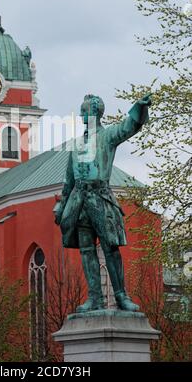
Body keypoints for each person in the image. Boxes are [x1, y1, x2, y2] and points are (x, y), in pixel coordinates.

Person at [54, 93, 152, 312]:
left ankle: (121, 296)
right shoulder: (77, 145)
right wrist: (61, 204)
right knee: (86, 250)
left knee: (111, 248)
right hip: (79, 202)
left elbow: (129, 126)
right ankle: (95, 298)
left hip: (101, 198)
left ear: (96, 113)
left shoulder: (107, 136)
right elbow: (69, 179)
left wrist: (139, 107)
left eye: (85, 111)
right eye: (81, 111)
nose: (81, 115)